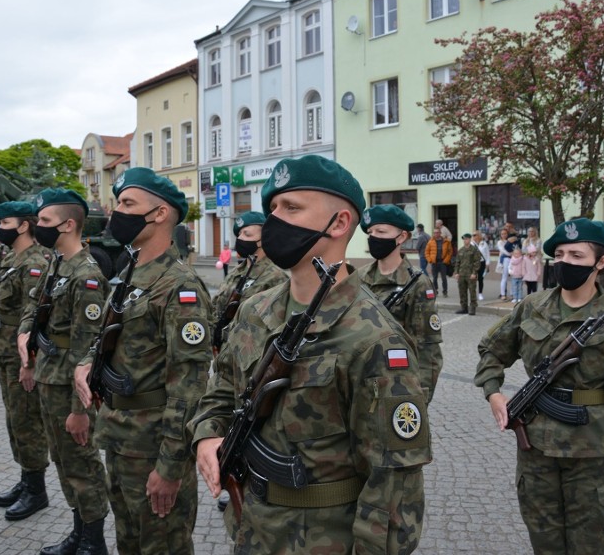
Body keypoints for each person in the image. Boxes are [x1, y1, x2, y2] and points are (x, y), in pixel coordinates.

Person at [190, 155, 432, 554]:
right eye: (273, 209)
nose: (275, 222)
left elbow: (393, 489)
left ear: (338, 224)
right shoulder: (256, 310)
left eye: (292, 208)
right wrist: (207, 436)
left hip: (321, 539)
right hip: (251, 525)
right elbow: (220, 394)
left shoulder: (375, 338)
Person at [475, 218, 604, 554]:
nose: (565, 262)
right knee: (545, 540)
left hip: (593, 451)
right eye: (559, 254)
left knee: (589, 542)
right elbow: (491, 351)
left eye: (576, 255)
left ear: (600, 263)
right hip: (536, 448)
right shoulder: (532, 306)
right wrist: (493, 392)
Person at [73, 168, 214, 554]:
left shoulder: (179, 286)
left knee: (162, 546)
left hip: (154, 447)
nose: (118, 211)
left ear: (160, 213)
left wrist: (169, 466)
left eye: (127, 203)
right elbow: (105, 335)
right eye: (119, 203)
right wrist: (85, 363)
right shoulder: (129, 274)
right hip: (119, 438)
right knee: (129, 543)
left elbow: (190, 384)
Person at [17, 189, 110, 555]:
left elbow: (89, 350)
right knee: (63, 460)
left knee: (82, 464)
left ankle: (93, 540)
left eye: (44, 222)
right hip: (48, 377)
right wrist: (26, 337)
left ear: (68, 224)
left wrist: (79, 409)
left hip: (68, 388)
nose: (38, 227)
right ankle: (79, 529)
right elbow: (33, 305)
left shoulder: (86, 276)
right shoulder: (56, 266)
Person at [0, 201, 51, 521]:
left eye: (5, 221)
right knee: (15, 421)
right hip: (4, 351)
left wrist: (30, 364)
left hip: (21, 358)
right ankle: (26, 478)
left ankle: (37, 491)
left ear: (23, 226)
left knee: (27, 423)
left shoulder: (36, 262)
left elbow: (37, 317)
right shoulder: (11, 257)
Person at [358, 204, 444, 402]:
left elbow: (427, 349)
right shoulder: (359, 278)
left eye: (381, 232)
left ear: (402, 237)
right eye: (370, 232)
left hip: (396, 383)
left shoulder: (416, 283)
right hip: (361, 381)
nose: (373, 238)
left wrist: (419, 398)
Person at [213, 211, 287, 350]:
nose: (240, 238)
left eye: (247, 234)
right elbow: (216, 308)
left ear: (264, 239)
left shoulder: (276, 277)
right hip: (224, 354)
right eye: (239, 234)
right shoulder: (235, 273)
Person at [454, 233, 479, 315]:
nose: (465, 241)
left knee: (472, 291)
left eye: (466, 239)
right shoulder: (461, 250)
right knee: (462, 292)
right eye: (464, 239)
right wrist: (456, 273)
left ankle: (472, 308)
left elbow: (477, 262)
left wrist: (474, 273)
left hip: (470, 274)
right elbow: (457, 262)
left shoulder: (474, 250)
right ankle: (464, 308)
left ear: (470, 239)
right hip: (461, 274)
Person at [426, 227, 453, 297]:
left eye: (437, 232)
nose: (436, 234)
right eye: (434, 233)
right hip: (434, 262)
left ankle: (445, 292)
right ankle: (435, 291)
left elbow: (450, 252)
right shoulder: (430, 241)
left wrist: (446, 260)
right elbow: (426, 252)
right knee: (434, 278)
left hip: (443, 262)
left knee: (444, 278)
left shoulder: (446, 241)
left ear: (440, 233)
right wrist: (430, 260)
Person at [473, 231, 490, 301]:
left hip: (482, 263)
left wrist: (487, 264)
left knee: (480, 279)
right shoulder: (471, 244)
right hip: (473, 263)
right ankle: (473, 294)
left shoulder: (484, 244)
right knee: (473, 279)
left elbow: (487, 254)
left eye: (475, 235)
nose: (473, 237)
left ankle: (480, 293)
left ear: (479, 236)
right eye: (473, 235)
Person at [497, 228, 511, 301]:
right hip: (504, 259)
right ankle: (503, 294)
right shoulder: (500, 242)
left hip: (512, 259)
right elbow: (502, 250)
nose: (504, 235)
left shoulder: (510, 241)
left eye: (505, 233)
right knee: (504, 277)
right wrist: (510, 254)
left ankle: (513, 293)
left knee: (513, 277)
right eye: (502, 234)